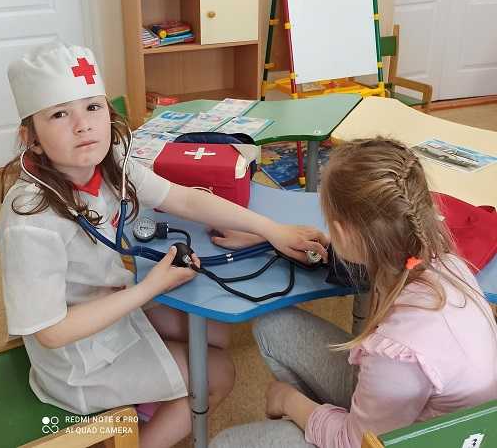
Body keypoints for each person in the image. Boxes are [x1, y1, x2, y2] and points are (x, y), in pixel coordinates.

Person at [0, 42, 328, 448]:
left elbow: (183, 199)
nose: (83, 126)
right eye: (59, 114)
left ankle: (149, 399)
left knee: (213, 330)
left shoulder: (110, 162)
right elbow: (51, 332)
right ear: (31, 138)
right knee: (218, 373)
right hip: (77, 358)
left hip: (111, 305)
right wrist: (150, 288)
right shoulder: (29, 223)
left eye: (93, 107)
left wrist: (272, 230)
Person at [210, 138, 497, 448]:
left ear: (344, 233)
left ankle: (313, 422)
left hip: (396, 439)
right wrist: (269, 236)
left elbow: (355, 442)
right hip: (411, 411)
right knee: (273, 325)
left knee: (225, 443)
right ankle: (319, 421)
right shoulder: (445, 261)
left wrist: (288, 401)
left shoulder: (397, 352)